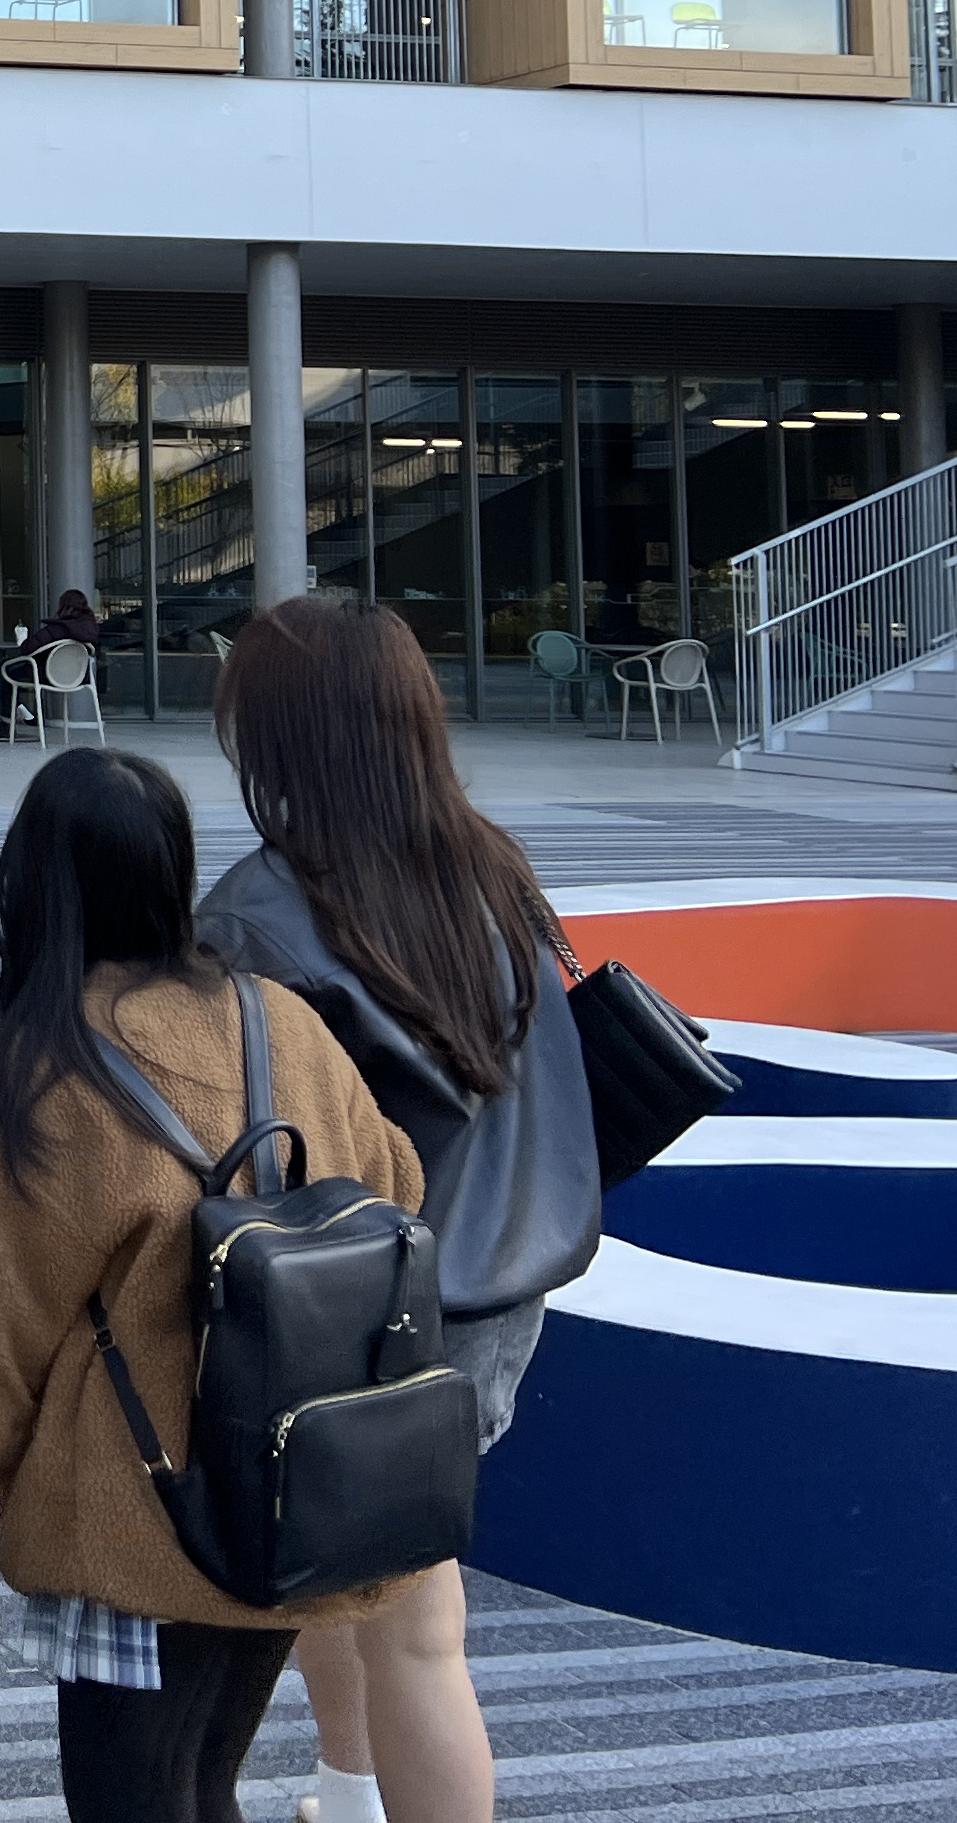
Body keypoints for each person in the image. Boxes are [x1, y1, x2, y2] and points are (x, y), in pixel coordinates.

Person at [0, 746, 433, 1823]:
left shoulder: (51, 1072)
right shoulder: (280, 1017)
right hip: (290, 1487)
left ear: (29, 886)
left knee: (135, 1796)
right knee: (205, 1781)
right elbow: (397, 1183)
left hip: (140, 1508)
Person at [197, 590, 601, 1823]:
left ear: (279, 737)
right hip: (498, 1282)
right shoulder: (490, 868)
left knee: (414, 1627)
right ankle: (349, 1792)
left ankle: (366, 1790)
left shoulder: (255, 914)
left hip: (348, 1306)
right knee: (347, 1572)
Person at [0, 585, 105, 740]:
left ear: (63, 606)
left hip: (45, 676)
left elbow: (27, 648)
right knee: (6, 669)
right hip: (79, 678)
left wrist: (24, 641)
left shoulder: (56, 629)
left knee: (5, 668)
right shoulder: (91, 630)